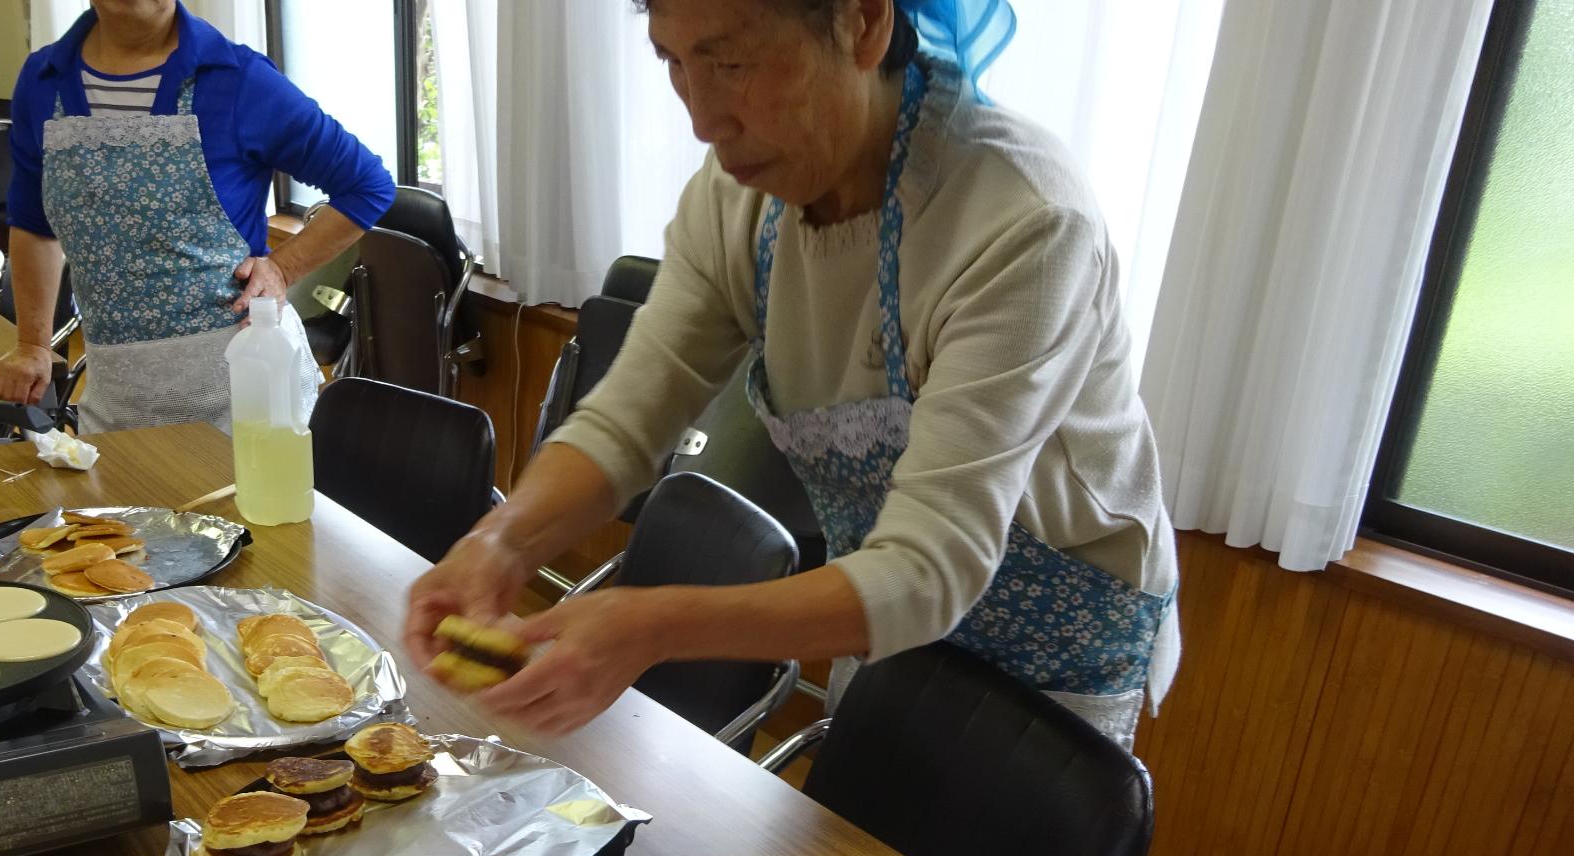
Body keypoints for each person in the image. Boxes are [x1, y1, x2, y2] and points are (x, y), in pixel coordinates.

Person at [406, 0, 1177, 748]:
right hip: (886, 605)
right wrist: (501, 544)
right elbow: (627, 419)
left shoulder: (1024, 224)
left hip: (1051, 654)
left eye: (732, 63)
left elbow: (931, 565)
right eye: (674, 61)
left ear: (864, 21)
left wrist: (652, 625)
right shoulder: (740, 199)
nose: (704, 120)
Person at [0, 0, 394, 431]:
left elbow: (367, 184)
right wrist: (32, 344)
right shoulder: (42, 82)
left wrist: (282, 267)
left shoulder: (238, 78)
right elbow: (34, 226)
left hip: (243, 388)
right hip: (117, 391)